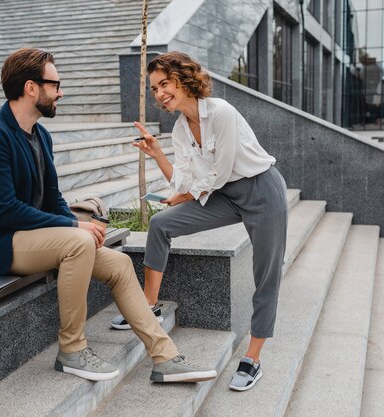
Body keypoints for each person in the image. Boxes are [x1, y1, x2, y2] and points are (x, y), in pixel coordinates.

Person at [0, 48, 216, 383]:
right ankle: (72, 350)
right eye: (55, 84)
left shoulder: (40, 134)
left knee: (120, 264)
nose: (60, 92)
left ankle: (164, 358)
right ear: (31, 88)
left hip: (33, 239)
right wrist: (73, 225)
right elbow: (4, 210)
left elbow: (52, 198)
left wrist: (78, 222)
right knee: (78, 242)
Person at [109, 51, 288, 392]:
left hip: (262, 192)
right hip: (221, 195)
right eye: (154, 88)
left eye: (165, 83)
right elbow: (184, 181)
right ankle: (148, 309)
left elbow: (219, 171)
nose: (160, 93)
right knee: (162, 225)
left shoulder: (220, 112)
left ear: (183, 77)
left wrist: (188, 194)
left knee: (266, 277)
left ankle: (253, 359)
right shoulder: (180, 129)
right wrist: (157, 155)